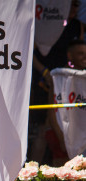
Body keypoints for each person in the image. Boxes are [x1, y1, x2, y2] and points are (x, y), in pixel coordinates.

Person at [29, 0, 84, 166]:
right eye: (71, 4)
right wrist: (45, 73)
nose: (74, 8)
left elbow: (79, 52)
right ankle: (32, 170)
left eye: (77, 5)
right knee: (44, 125)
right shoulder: (45, 21)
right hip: (46, 77)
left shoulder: (76, 26)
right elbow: (31, 49)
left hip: (69, 79)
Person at [47, 39, 86, 165]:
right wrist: (61, 138)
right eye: (80, 53)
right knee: (61, 175)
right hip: (60, 135)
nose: (85, 57)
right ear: (70, 55)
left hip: (83, 138)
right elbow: (52, 111)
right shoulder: (59, 77)